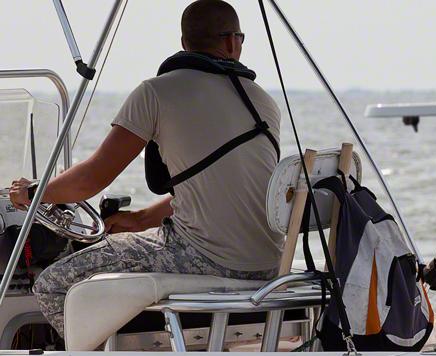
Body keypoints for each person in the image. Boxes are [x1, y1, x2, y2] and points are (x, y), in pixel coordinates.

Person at [9, 0, 282, 338]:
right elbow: (219, 193)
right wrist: (138, 221)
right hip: (268, 267)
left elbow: (91, 179)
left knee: (53, 284)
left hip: (206, 260)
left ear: (185, 44)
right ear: (231, 43)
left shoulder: (156, 92)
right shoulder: (263, 102)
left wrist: (34, 193)